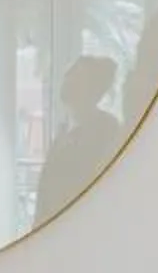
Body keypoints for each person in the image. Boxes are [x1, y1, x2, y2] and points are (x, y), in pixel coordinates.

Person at [35, 55, 125, 226]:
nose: (67, 79)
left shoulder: (106, 129)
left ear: (91, 88)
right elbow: (46, 190)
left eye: (76, 76)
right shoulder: (63, 132)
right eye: (69, 74)